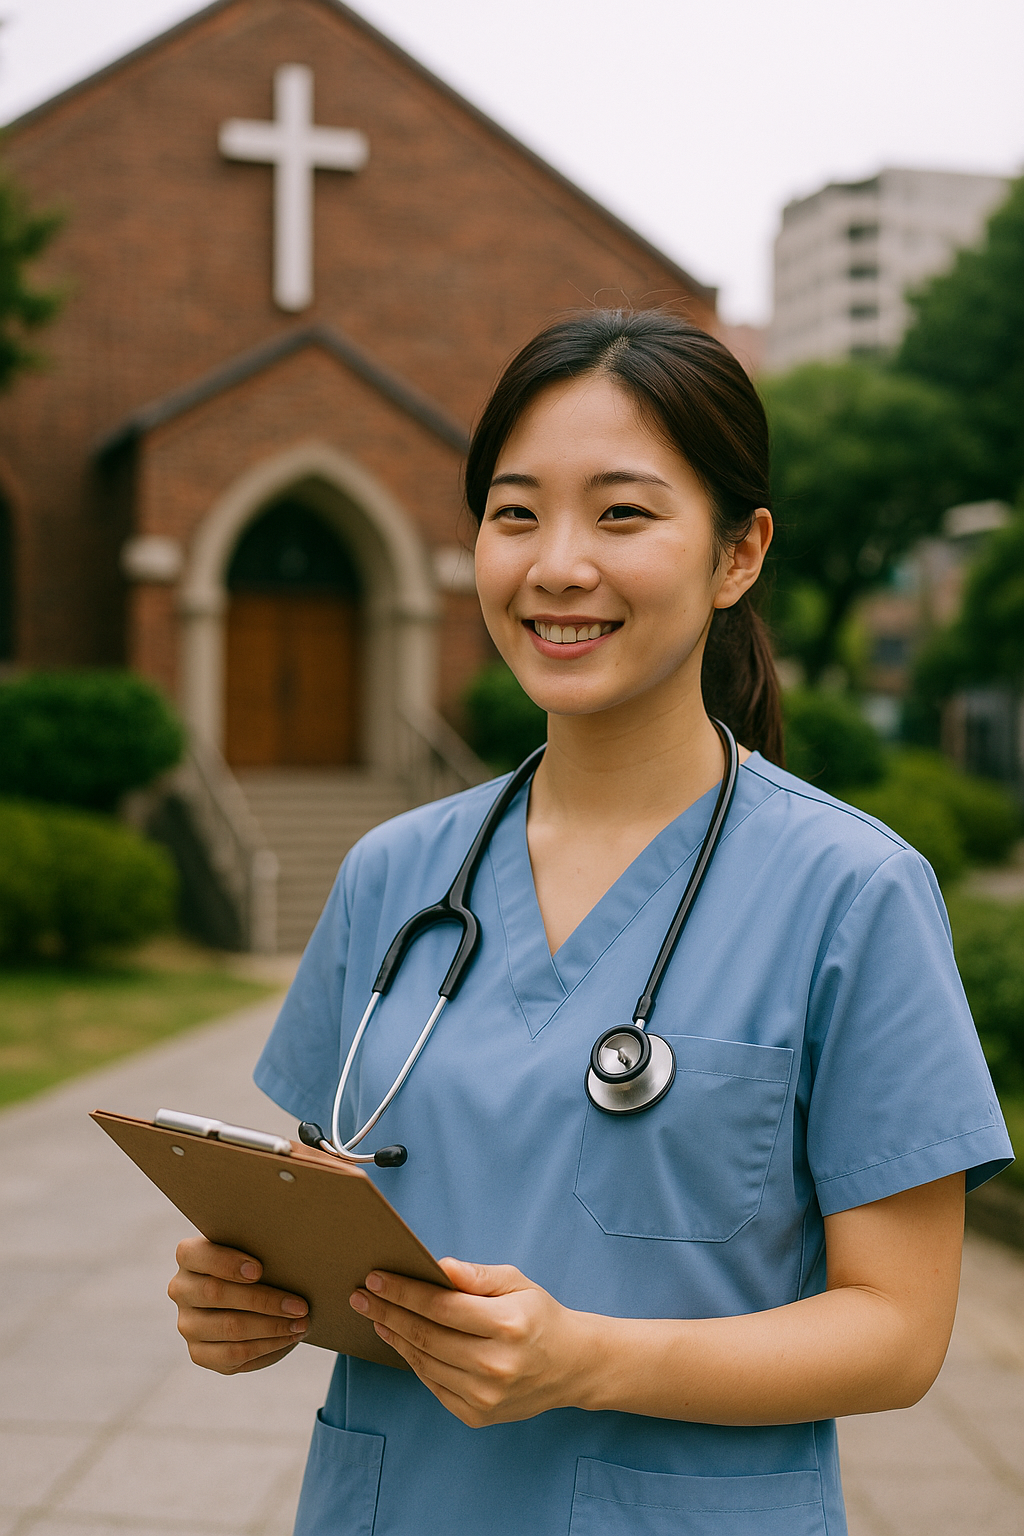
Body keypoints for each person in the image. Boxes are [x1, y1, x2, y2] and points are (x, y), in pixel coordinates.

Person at [168, 310, 1012, 1536]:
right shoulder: (394, 875)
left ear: (738, 554)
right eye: (515, 514)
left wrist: (592, 1360)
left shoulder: (851, 893)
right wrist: (247, 1298)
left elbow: (897, 1333)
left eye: (621, 514)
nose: (555, 565)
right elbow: (324, 1210)